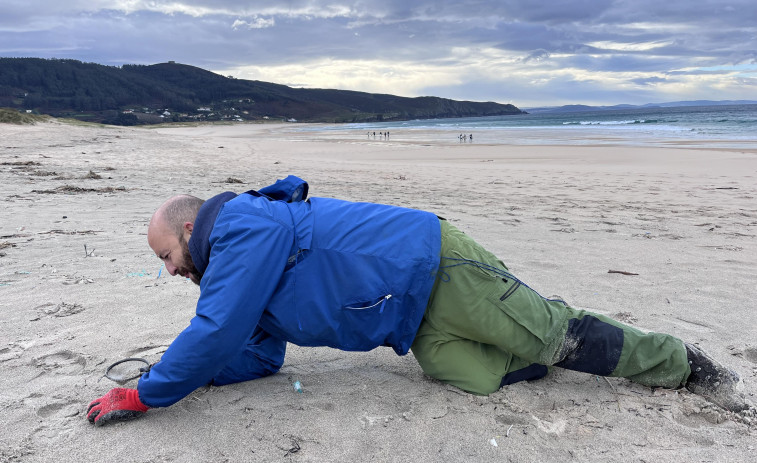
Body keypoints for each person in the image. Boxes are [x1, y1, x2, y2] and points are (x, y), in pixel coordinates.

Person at [87, 176, 750, 426]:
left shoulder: (240, 227)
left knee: (553, 335)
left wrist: (148, 391)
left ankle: (683, 363)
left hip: (431, 265)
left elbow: (215, 326)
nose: (169, 271)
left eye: (165, 257)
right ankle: (520, 335)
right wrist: (187, 378)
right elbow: (251, 352)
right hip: (407, 317)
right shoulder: (233, 275)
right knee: (467, 375)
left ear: (186, 228)